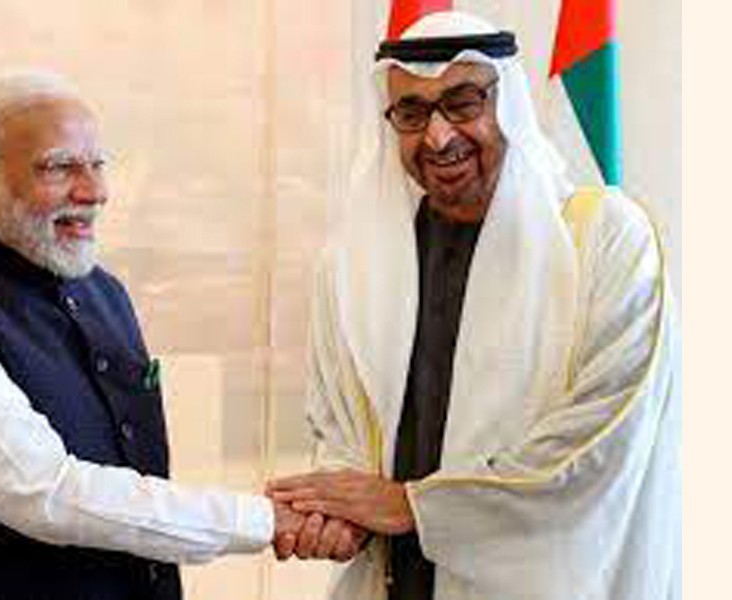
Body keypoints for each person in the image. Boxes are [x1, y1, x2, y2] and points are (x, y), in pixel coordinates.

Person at [268, 10, 680, 600]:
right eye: (411, 113)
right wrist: (337, 512)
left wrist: (414, 506)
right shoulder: (352, 264)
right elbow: (337, 422)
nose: (438, 137)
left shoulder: (605, 240)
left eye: (462, 104)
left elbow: (606, 438)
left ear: (506, 104)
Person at [0, 71, 328, 600]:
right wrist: (265, 520)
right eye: (59, 167)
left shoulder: (104, 292)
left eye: (97, 165)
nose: (95, 192)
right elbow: (43, 492)